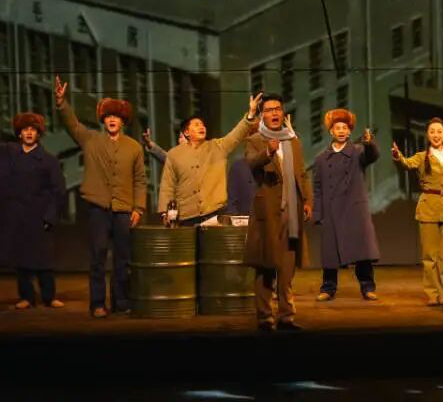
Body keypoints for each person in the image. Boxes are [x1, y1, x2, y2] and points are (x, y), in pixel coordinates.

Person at [54, 76, 145, 319]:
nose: (112, 120)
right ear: (103, 120)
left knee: (123, 258)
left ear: (123, 121)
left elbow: (140, 180)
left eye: (116, 116)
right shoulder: (91, 139)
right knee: (98, 256)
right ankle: (97, 304)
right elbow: (72, 124)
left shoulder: (134, 147)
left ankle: (121, 302)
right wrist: (62, 103)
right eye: (108, 116)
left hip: (123, 209)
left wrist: (138, 208)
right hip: (97, 208)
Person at [244, 93, 312, 332]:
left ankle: (286, 316)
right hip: (268, 211)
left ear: (283, 113)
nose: (274, 113)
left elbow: (301, 173)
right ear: (262, 115)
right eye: (269, 110)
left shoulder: (293, 140)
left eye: (277, 109)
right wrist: (268, 153)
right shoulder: (256, 140)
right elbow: (251, 163)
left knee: (287, 266)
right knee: (266, 264)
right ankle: (264, 317)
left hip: (292, 210)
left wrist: (307, 200)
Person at [391, 118, 443, 306]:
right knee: (430, 255)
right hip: (428, 208)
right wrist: (398, 156)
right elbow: (407, 164)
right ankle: (432, 293)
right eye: (432, 132)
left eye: (439, 131)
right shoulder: (422, 156)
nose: (436, 135)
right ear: (427, 134)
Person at [156, 95, 260, 226]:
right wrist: (165, 212)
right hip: (186, 216)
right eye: (197, 125)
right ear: (186, 133)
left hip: (214, 214)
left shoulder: (218, 147)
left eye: (203, 125)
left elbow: (236, 135)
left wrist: (250, 115)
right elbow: (168, 185)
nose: (202, 127)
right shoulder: (174, 154)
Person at [313, 109, 381, 302]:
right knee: (330, 254)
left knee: (362, 252)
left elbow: (372, 155)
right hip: (331, 211)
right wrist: (318, 213)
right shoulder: (321, 158)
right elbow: (317, 187)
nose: (341, 131)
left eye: (345, 128)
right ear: (331, 131)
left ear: (350, 131)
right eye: (337, 128)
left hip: (354, 209)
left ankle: (367, 287)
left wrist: (369, 143)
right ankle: (328, 288)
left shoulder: (358, 152)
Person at [0, 113, 66, 309]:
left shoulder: (48, 160)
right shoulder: (10, 156)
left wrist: (50, 216)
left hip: (40, 216)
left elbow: (58, 191)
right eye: (25, 130)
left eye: (33, 130)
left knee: (43, 259)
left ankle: (49, 296)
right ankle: (26, 297)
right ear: (19, 134)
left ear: (38, 133)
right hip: (17, 216)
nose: (29, 133)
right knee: (22, 260)